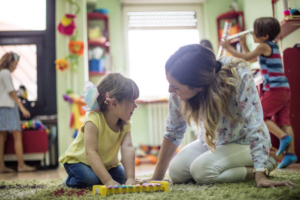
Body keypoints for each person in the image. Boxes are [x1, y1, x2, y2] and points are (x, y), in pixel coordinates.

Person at [143, 44, 295, 188]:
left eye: (175, 87)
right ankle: (232, 165)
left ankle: (267, 162)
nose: (170, 90)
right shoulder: (178, 87)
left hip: (243, 143)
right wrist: (156, 178)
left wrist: (260, 174)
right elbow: (173, 131)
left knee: (201, 172)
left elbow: (254, 124)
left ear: (199, 86)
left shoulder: (238, 74)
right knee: (176, 172)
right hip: (214, 142)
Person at [221, 17, 297, 169]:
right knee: (284, 121)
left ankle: (283, 137)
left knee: (261, 116)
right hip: (284, 89)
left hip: (274, 89)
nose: (252, 35)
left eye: (255, 33)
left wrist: (228, 48)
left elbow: (246, 58)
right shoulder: (271, 46)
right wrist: (242, 44)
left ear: (264, 36)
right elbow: (253, 57)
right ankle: (290, 154)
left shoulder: (263, 46)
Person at [59, 73, 139, 188]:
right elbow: (90, 152)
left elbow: (128, 147)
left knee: (122, 179)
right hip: (79, 161)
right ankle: (69, 180)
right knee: (90, 180)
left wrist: (131, 178)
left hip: (107, 164)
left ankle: (100, 176)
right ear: (114, 103)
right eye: (132, 101)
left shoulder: (125, 123)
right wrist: (107, 181)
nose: (135, 106)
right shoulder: (93, 120)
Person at [0, 52, 35, 173]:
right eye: (15, 63)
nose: (16, 66)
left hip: (2, 107)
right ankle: (21, 165)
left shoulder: (2, 73)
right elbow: (10, 91)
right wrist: (21, 106)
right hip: (9, 108)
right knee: (17, 136)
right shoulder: (5, 73)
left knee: (2, 137)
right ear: (9, 62)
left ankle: (1, 166)